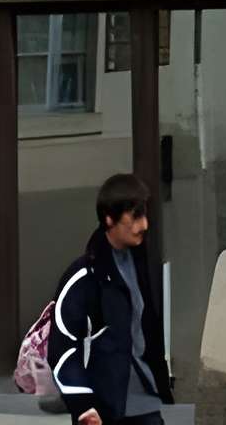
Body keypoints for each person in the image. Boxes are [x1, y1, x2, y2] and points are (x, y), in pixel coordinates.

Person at [45, 174, 171, 425]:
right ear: (109, 219)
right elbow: (62, 347)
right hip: (103, 408)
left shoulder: (145, 265)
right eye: (135, 217)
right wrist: (82, 404)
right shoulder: (85, 276)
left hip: (145, 401)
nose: (144, 225)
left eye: (145, 215)